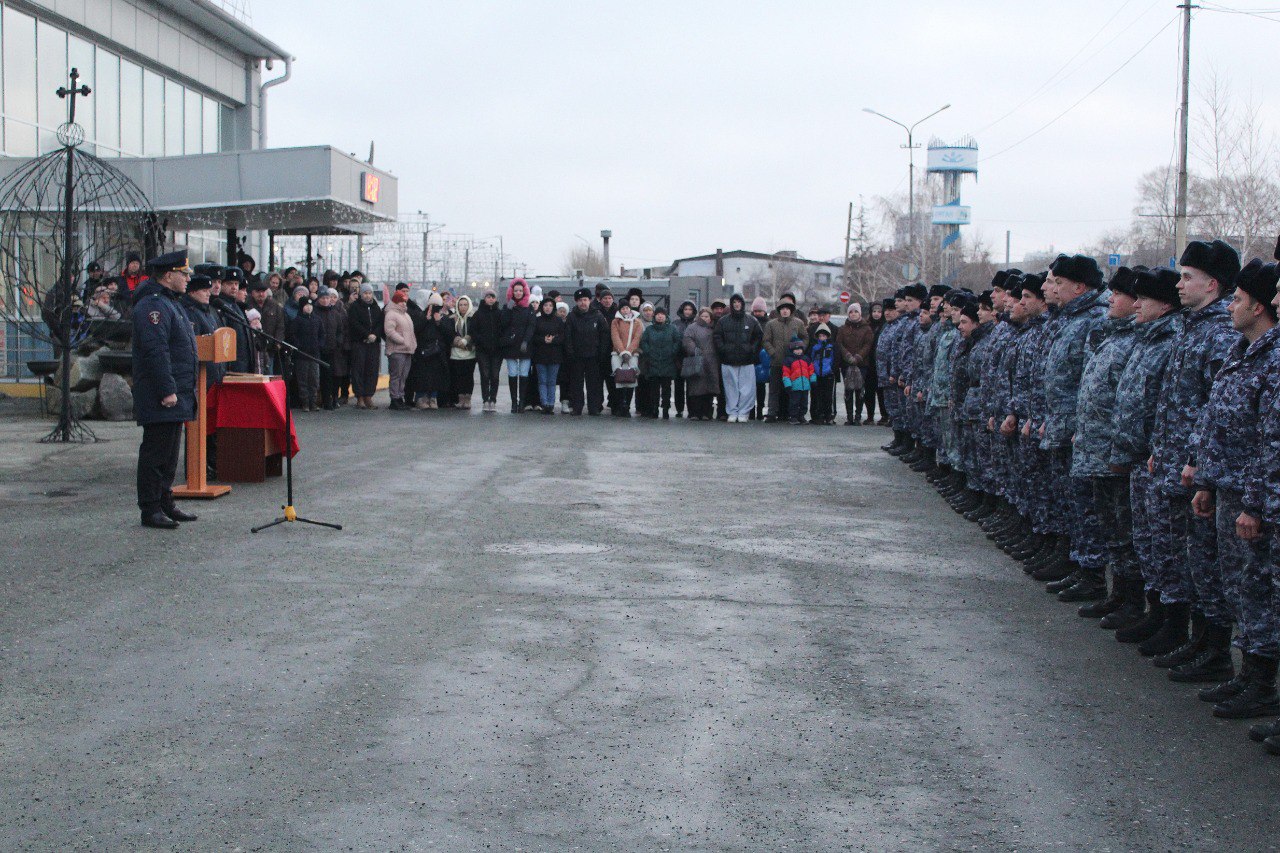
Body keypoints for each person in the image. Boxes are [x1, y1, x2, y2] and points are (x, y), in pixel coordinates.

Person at [1189, 258, 1280, 717]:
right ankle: (1247, 675)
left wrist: (1256, 505)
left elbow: (1271, 441)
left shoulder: (1273, 361)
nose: (1229, 306)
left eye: (1238, 299)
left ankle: (1262, 684)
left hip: (1252, 498)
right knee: (1240, 588)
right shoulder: (1243, 352)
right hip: (1228, 490)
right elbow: (1217, 422)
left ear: (1257, 306)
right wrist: (1206, 480)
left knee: (1260, 591)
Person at [131, 251, 198, 529]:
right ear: (169, 276)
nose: (188, 279)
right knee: (156, 453)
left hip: (177, 391)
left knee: (169, 455)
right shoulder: (153, 306)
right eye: (184, 274)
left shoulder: (171, 302)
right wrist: (167, 390)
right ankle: (150, 508)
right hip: (161, 393)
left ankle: (164, 501)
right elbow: (156, 351)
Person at [713, 293, 764, 423]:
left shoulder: (751, 320)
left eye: (739, 302)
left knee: (747, 389)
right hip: (728, 360)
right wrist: (723, 349)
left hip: (747, 360)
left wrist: (752, 349)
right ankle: (732, 412)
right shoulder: (723, 321)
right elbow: (717, 336)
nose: (736, 304)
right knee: (730, 388)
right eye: (734, 302)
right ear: (731, 304)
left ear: (742, 303)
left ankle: (743, 412)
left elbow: (759, 336)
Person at [565, 287, 610, 416]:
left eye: (585, 300)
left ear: (589, 300)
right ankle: (577, 407)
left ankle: (594, 407)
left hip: (593, 356)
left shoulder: (597, 315)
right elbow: (568, 336)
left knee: (594, 383)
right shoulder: (571, 316)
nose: (583, 303)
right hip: (577, 356)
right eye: (580, 300)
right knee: (576, 384)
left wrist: (601, 352)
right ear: (576, 302)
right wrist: (570, 352)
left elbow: (604, 334)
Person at [179, 274, 226, 388]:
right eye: (204, 291)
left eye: (208, 290)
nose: (208, 294)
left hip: (213, 376)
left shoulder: (207, 312)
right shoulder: (189, 312)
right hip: (201, 378)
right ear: (192, 292)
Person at [763, 302, 807, 422]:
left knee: (793, 389)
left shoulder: (798, 323)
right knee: (774, 389)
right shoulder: (771, 324)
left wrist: (800, 349)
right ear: (779, 310)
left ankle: (792, 413)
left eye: (787, 308)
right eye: (782, 309)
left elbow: (805, 337)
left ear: (791, 310)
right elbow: (766, 340)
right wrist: (773, 352)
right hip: (776, 362)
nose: (785, 311)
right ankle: (772, 413)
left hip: (793, 363)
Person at [500, 278, 535, 412]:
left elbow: (531, 326)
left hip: (525, 345)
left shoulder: (529, 308)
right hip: (511, 345)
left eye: (520, 290)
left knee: (524, 374)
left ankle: (522, 402)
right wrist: (508, 310)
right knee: (513, 374)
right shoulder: (507, 307)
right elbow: (503, 324)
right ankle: (514, 402)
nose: (518, 293)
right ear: (512, 292)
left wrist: (526, 341)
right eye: (516, 291)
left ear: (524, 291)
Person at [639, 305, 680, 419]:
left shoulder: (672, 329)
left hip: (668, 362)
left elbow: (677, 341)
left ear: (666, 316)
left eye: (662, 314)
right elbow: (644, 342)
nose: (660, 316)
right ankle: (654, 409)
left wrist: (672, 351)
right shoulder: (649, 329)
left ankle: (666, 410)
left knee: (667, 389)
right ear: (654, 316)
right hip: (653, 362)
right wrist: (648, 352)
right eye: (658, 314)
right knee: (654, 390)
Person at [347, 283, 383, 409]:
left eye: (369, 293)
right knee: (358, 370)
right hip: (359, 342)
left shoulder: (376, 307)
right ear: (361, 294)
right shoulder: (355, 307)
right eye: (365, 293)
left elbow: (380, 323)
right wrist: (367, 334)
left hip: (373, 344)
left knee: (372, 370)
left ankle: (369, 396)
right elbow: (354, 323)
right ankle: (360, 397)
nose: (368, 296)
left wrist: (375, 334)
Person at [408, 300, 450, 410]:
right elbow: (415, 330)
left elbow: (447, 334)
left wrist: (439, 322)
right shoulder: (421, 316)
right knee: (422, 376)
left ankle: (433, 398)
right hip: (423, 351)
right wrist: (425, 319)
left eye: (437, 305)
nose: (435, 308)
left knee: (436, 376)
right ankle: (421, 398)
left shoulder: (443, 317)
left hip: (438, 352)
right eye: (433, 305)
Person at [836, 302, 873, 424]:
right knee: (848, 390)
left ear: (860, 313)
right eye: (851, 312)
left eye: (856, 311)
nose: (853, 314)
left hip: (861, 364)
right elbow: (839, 344)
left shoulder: (867, 329)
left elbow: (868, 345)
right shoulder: (843, 329)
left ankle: (858, 416)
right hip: (846, 364)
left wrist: (858, 357)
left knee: (859, 390)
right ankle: (849, 417)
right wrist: (847, 356)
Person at [682, 307, 720, 420]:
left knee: (709, 389)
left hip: (712, 362)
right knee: (696, 388)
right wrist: (694, 350)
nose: (704, 318)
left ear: (710, 317)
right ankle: (695, 412)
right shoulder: (692, 327)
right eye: (702, 316)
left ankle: (707, 413)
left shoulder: (715, 327)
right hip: (696, 361)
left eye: (707, 316)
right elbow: (687, 340)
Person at [286, 296, 323, 411]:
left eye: (310, 305)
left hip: (315, 355)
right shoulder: (297, 320)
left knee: (314, 379)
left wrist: (319, 345)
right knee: (303, 380)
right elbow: (292, 335)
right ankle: (305, 403)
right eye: (306, 305)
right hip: (301, 355)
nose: (309, 308)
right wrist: (299, 346)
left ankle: (313, 402)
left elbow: (322, 335)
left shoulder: (317, 320)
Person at [531, 295, 566, 413]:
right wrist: (543, 339)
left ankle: (551, 404)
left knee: (552, 381)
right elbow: (533, 336)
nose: (548, 308)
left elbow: (563, 337)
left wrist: (553, 340)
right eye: (545, 305)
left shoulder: (558, 321)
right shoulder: (537, 320)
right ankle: (544, 403)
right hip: (540, 355)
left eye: (550, 305)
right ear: (542, 307)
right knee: (542, 381)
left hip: (555, 355)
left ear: (553, 307)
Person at [442, 294, 477, 410]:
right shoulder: (452, 318)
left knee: (468, 377)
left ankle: (468, 399)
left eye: (465, 305)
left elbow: (474, 332)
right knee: (458, 377)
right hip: (456, 353)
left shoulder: (473, 318)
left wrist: (466, 340)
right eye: (461, 305)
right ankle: (460, 399)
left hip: (470, 353)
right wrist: (458, 341)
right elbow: (449, 333)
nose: (463, 307)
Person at [383, 290, 416, 411]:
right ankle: (394, 399)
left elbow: (411, 332)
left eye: (405, 301)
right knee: (396, 376)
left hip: (407, 350)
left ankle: (400, 397)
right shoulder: (391, 314)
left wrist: (412, 344)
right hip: (396, 350)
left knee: (403, 376)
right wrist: (403, 341)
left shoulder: (406, 315)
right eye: (401, 301)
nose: (403, 303)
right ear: (396, 301)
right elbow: (389, 331)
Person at [610, 300, 644, 416]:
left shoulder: (637, 322)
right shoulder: (615, 321)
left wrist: (628, 352)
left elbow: (637, 338)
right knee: (619, 379)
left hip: (632, 354)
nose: (625, 310)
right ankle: (620, 405)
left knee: (630, 380)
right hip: (617, 354)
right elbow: (615, 337)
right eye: (623, 309)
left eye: (627, 308)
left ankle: (627, 406)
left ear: (630, 309)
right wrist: (622, 352)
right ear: (620, 310)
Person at [315, 288, 348, 410]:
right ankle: (324, 400)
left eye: (327, 298)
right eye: (323, 298)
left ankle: (334, 398)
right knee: (322, 376)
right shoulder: (315, 312)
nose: (325, 300)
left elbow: (340, 331)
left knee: (334, 376)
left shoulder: (335, 314)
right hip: (319, 350)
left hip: (334, 349)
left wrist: (338, 342)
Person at [472, 290, 504, 412]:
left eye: (493, 297)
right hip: (482, 350)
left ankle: (493, 399)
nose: (491, 299)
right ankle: (485, 399)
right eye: (488, 297)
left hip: (497, 350)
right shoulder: (478, 314)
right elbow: (473, 330)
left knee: (495, 375)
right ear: (484, 299)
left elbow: (504, 329)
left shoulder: (500, 314)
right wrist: (480, 341)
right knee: (484, 375)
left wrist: (500, 342)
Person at [671, 301, 697, 418]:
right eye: (686, 309)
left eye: (690, 309)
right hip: (678, 357)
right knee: (678, 385)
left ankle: (691, 409)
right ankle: (679, 409)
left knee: (691, 385)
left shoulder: (696, 324)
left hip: (691, 357)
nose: (687, 312)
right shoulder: (675, 324)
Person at [781, 336, 814, 425]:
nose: (798, 351)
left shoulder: (806, 359)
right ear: (792, 350)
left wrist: (813, 380)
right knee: (794, 402)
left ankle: (801, 416)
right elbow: (786, 373)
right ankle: (793, 416)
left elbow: (811, 370)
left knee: (804, 402)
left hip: (805, 385)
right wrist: (787, 384)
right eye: (796, 349)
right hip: (794, 386)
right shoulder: (788, 360)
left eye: (800, 349)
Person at [808, 323, 836, 425]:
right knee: (816, 396)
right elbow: (812, 359)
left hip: (828, 374)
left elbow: (833, 359)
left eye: (824, 336)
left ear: (827, 336)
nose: (822, 338)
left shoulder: (831, 347)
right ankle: (817, 415)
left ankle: (828, 415)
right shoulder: (815, 347)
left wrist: (831, 369)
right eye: (820, 336)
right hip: (817, 374)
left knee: (828, 396)